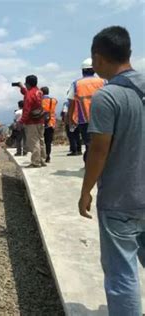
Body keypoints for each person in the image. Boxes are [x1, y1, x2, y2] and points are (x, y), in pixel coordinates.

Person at [78, 26, 144, 316]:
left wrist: (85, 191)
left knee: (122, 274)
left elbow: (99, 150)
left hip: (121, 199)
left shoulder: (108, 96)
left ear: (98, 57)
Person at [68, 58, 105, 162]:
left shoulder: (76, 84)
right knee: (103, 143)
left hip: (84, 119)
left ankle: (90, 166)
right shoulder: (103, 81)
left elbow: (71, 103)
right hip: (102, 118)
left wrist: (71, 118)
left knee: (89, 144)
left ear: (83, 70)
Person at [17, 75, 46, 168]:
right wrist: (22, 87)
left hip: (32, 121)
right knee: (41, 140)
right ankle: (42, 160)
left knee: (34, 142)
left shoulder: (29, 94)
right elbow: (28, 93)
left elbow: (26, 109)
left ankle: (35, 162)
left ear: (28, 84)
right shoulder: (39, 92)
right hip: (40, 119)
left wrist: (21, 121)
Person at [41, 86, 57, 163]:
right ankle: (48, 156)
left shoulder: (40, 100)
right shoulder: (53, 100)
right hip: (51, 122)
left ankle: (42, 156)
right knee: (48, 142)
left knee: (41, 141)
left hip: (41, 122)